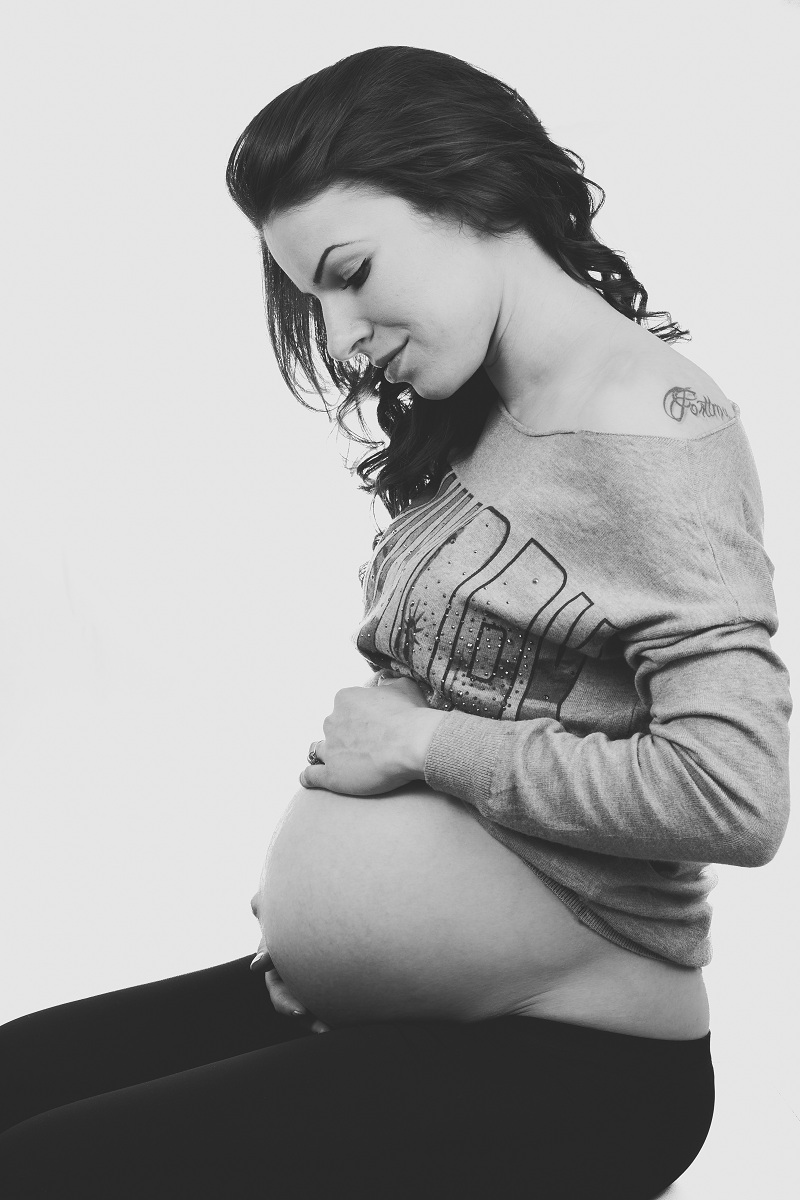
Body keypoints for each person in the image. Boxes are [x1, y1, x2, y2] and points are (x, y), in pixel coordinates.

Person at [0, 44, 791, 1200]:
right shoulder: (498, 404)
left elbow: (734, 792)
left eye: (351, 271)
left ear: (471, 189)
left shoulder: (652, 434)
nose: (337, 334)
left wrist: (422, 746)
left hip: (574, 1068)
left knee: (44, 1169)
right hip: (396, 1012)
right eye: (311, 296)